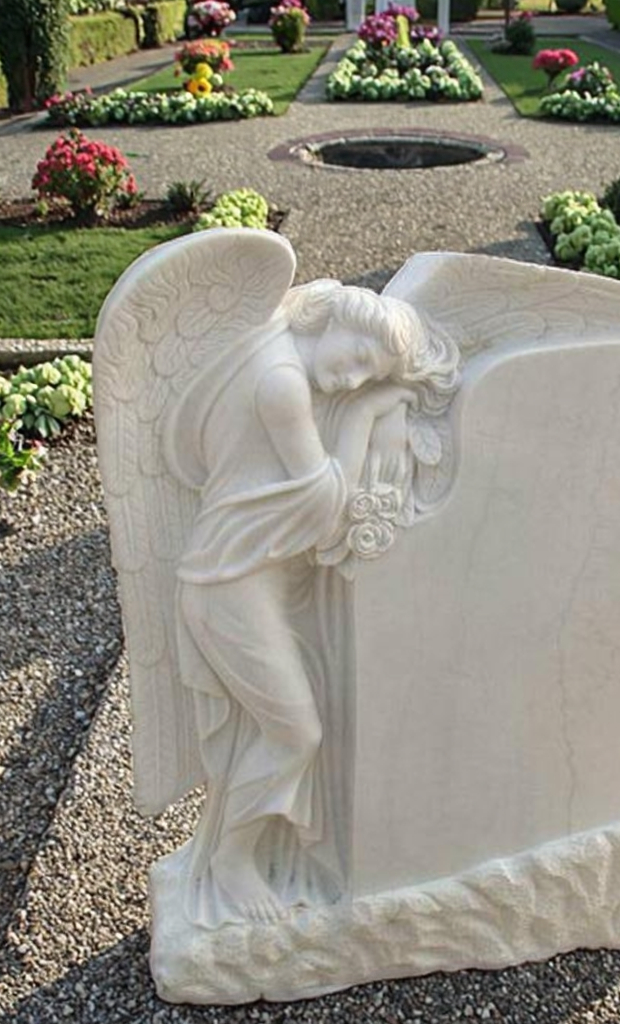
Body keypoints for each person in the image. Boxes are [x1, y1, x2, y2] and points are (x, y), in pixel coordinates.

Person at [162, 281, 458, 926]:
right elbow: (322, 504)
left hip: (248, 577)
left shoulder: (268, 346)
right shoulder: (281, 383)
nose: (351, 379)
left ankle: (249, 852)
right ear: (339, 320)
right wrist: (364, 414)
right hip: (231, 582)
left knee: (285, 726)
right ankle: (232, 861)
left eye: (367, 377)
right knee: (296, 731)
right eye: (358, 359)